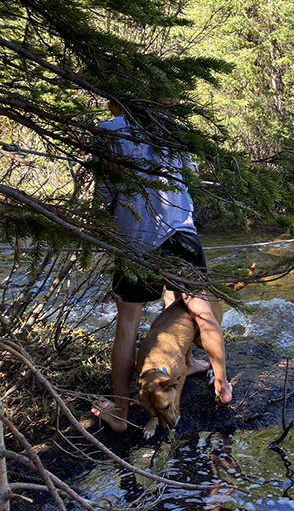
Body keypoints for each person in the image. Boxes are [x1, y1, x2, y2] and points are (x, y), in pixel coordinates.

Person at [91, 99, 232, 433]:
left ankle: (122, 414)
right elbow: (191, 178)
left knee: (127, 327)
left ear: (114, 100)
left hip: (135, 241)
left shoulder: (107, 132)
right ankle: (222, 387)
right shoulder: (174, 127)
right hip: (181, 233)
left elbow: (106, 193)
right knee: (202, 312)